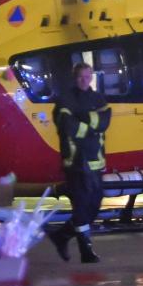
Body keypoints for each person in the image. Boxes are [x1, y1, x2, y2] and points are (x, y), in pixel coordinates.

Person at [47, 62, 111, 264]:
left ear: (92, 76)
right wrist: (91, 126)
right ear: (74, 78)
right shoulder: (64, 99)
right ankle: (86, 250)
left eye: (87, 76)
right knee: (82, 206)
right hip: (75, 162)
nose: (84, 80)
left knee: (94, 206)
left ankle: (61, 236)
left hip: (95, 162)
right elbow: (67, 126)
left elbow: (105, 121)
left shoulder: (97, 98)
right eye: (80, 77)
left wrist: (84, 122)